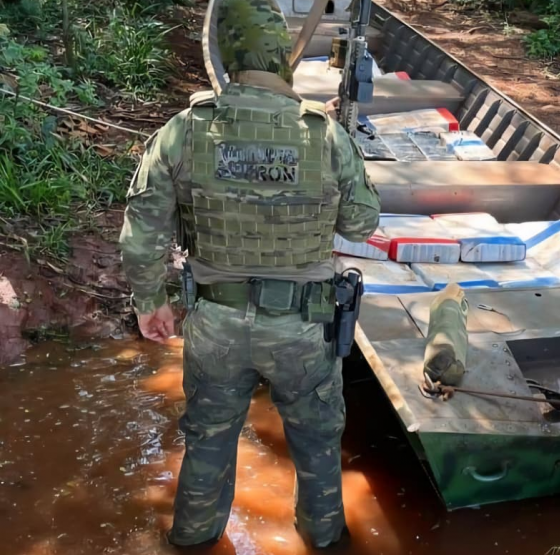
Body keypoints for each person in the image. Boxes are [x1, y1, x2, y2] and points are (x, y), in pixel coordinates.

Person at [118, 0, 380, 549]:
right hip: (304, 327)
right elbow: (361, 224)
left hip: (216, 322)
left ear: (228, 55)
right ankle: (324, 538)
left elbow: (143, 231)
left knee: (208, 440)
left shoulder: (184, 130)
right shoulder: (325, 135)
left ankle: (193, 539)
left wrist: (151, 303)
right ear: (283, 58)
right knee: (316, 442)